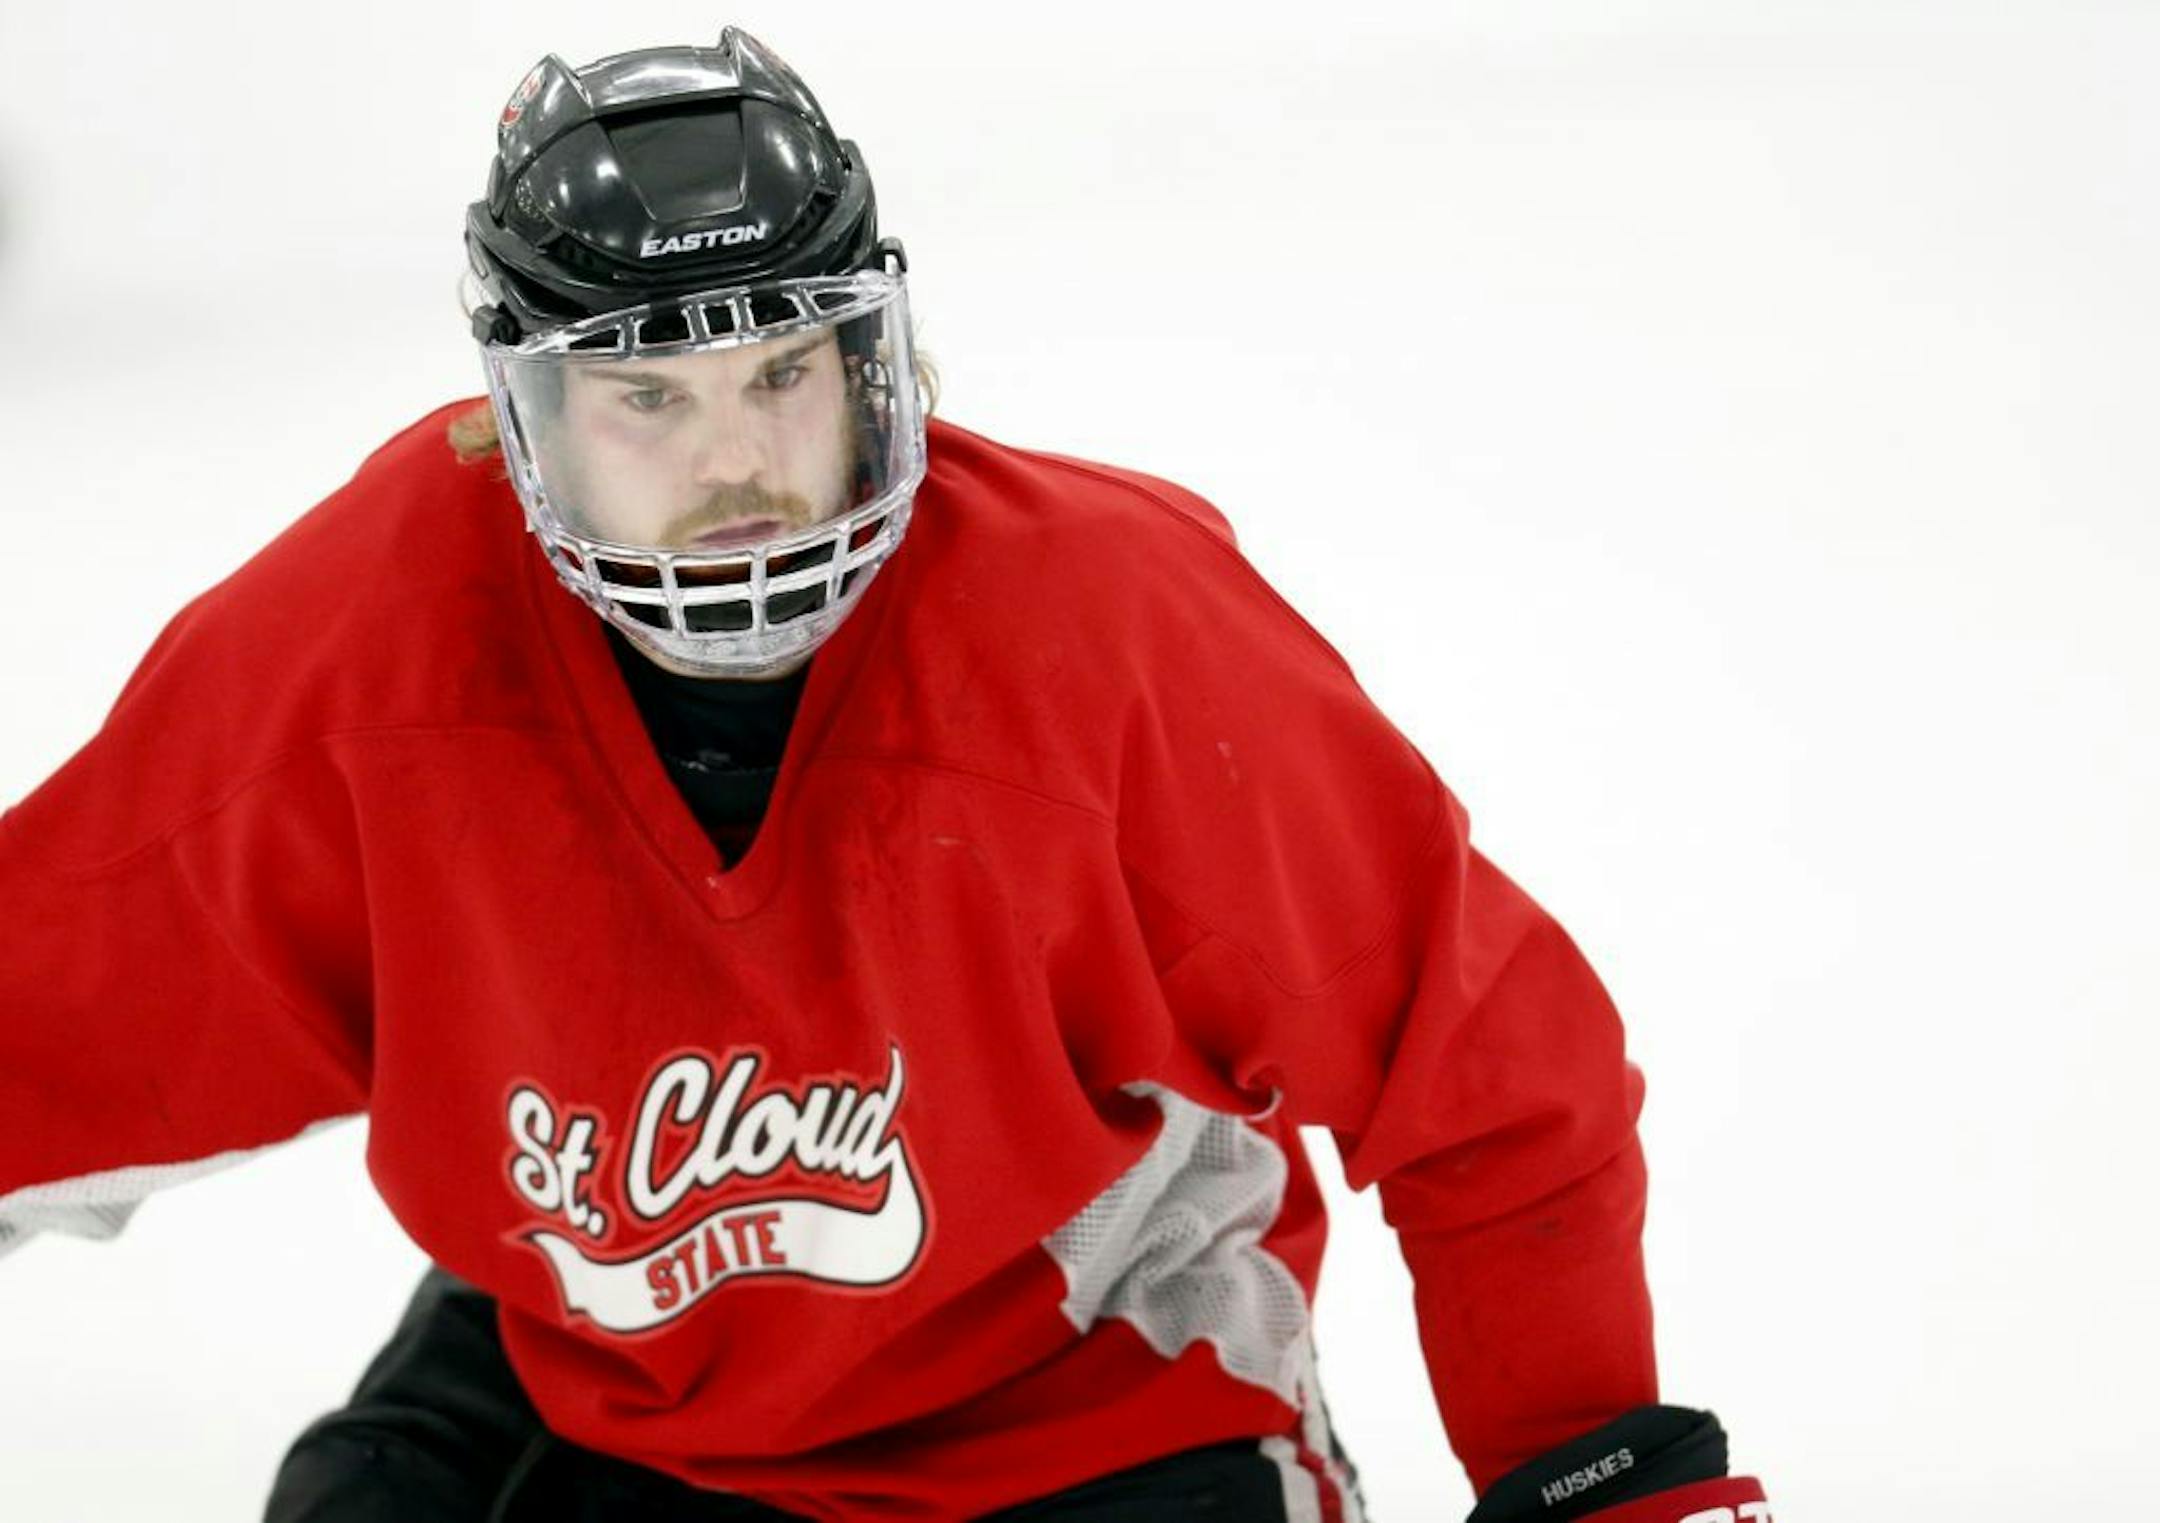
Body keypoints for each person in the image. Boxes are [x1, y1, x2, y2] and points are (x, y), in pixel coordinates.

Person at [0, 26, 1775, 1523]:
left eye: (785, 370)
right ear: (518, 422)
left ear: (874, 353)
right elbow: (58, 1000)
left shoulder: (1104, 632)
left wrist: (1590, 1474)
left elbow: (1480, 1071)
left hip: (1089, 1402)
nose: (742, 464)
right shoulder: (369, 650)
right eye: (648, 399)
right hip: (612, 1380)